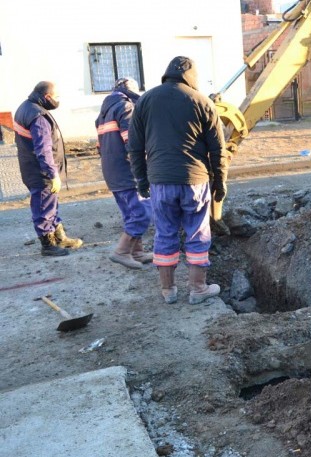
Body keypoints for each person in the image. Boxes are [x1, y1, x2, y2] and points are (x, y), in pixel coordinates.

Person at [127, 56, 228, 305]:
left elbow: (135, 147)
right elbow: (218, 149)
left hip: (160, 182)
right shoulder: (202, 101)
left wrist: (142, 180)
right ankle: (198, 289)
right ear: (191, 76)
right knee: (197, 233)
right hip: (195, 181)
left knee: (165, 233)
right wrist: (220, 182)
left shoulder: (146, 101)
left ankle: (168, 291)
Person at [14, 81, 83, 256]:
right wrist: (53, 175)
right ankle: (48, 244)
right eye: (57, 97)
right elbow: (43, 149)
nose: (58, 100)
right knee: (43, 207)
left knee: (49, 204)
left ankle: (60, 237)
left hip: (31, 168)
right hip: (41, 172)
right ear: (47, 97)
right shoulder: (38, 116)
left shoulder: (25, 107)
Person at [96, 77, 153, 269]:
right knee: (143, 212)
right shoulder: (126, 107)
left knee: (130, 213)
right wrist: (143, 168)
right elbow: (133, 143)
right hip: (128, 172)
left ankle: (137, 252)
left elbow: (100, 146)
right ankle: (121, 251)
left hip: (112, 171)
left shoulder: (104, 112)